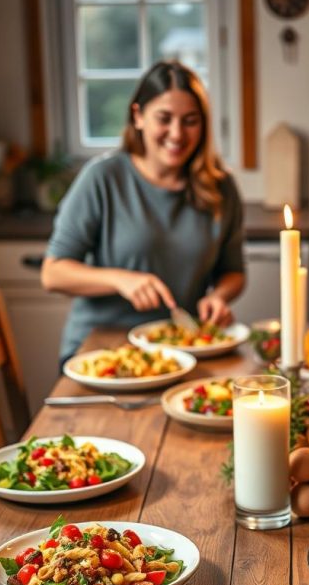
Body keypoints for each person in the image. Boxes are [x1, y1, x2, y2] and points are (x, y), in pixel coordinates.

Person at [42, 61, 245, 361]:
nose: (177, 134)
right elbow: (53, 274)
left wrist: (219, 296)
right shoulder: (102, 178)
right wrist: (121, 280)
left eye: (190, 120)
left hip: (180, 354)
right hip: (101, 353)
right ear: (138, 116)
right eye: (164, 118)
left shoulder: (221, 187)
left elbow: (234, 271)